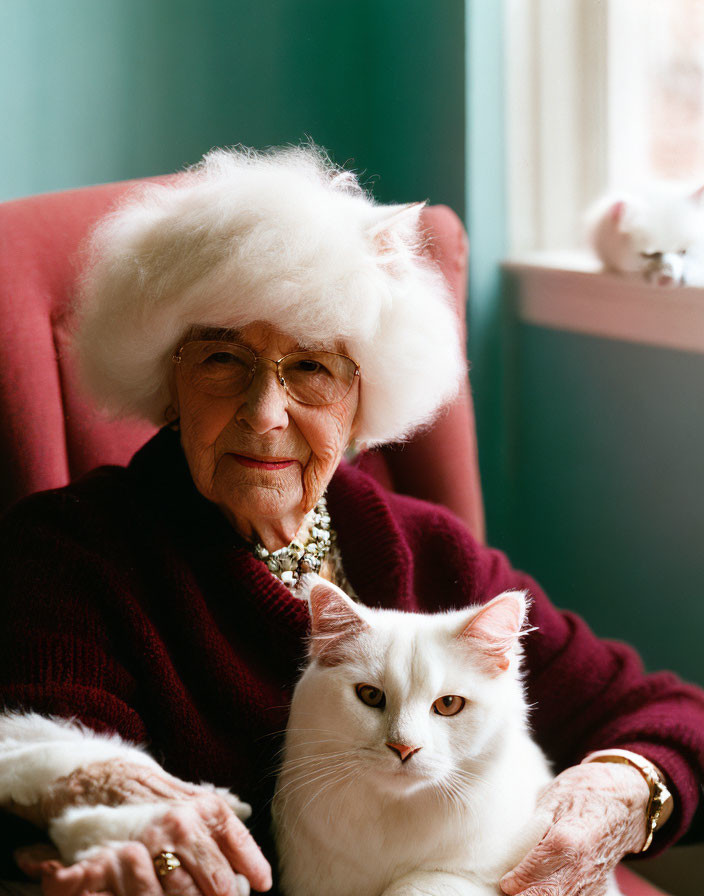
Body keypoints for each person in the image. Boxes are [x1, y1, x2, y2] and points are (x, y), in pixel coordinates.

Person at [0, 145, 702, 896]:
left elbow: (667, 713)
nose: (265, 416)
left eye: (310, 367)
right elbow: (50, 754)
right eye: (222, 361)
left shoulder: (426, 548)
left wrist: (620, 795)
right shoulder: (71, 550)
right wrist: (103, 808)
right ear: (167, 382)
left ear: (363, 405)